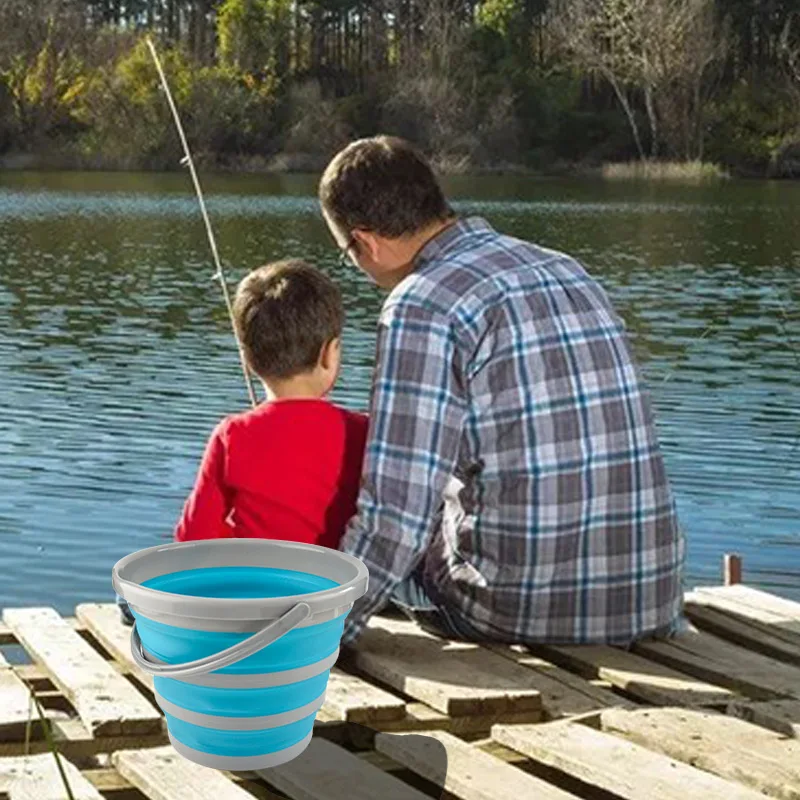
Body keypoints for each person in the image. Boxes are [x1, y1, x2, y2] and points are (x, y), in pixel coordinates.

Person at [320, 135, 685, 648]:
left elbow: (395, 516)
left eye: (347, 255)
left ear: (366, 243)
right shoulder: (565, 268)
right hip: (651, 600)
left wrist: (318, 635)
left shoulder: (421, 304)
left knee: (362, 534)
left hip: (517, 613)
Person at [118, 260, 368, 625]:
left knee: (133, 595)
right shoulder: (362, 432)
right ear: (330, 353)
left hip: (252, 604)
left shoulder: (234, 435)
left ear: (248, 360)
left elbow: (193, 540)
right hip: (329, 603)